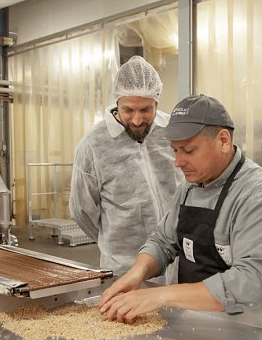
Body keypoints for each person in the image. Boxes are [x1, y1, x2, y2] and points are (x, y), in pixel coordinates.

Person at [100, 94, 262, 323]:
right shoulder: (190, 187)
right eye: (175, 151)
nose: (178, 162)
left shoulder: (261, 195)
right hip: (196, 320)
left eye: (189, 151)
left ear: (223, 140)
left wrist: (160, 295)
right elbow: (163, 241)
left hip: (253, 323)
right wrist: (137, 273)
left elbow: (249, 284)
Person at [69, 55, 182, 277]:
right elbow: (82, 211)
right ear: (117, 103)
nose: (137, 120)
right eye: (129, 110)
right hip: (125, 266)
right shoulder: (94, 145)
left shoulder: (172, 132)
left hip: (177, 261)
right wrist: (115, 240)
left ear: (157, 103)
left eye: (146, 110)